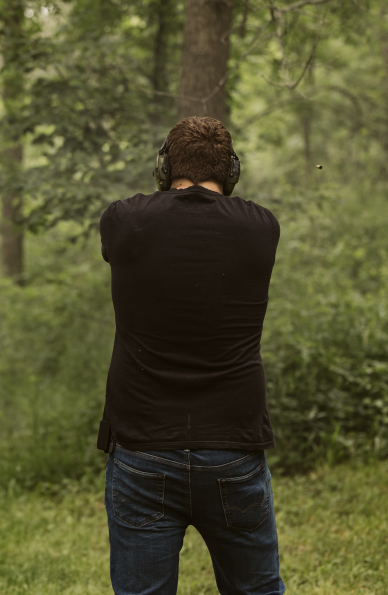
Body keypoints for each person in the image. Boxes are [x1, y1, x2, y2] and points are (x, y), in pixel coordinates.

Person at [97, 117, 284, 595]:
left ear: (163, 167)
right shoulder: (261, 228)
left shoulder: (124, 220)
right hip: (233, 446)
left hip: (143, 446)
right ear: (232, 171)